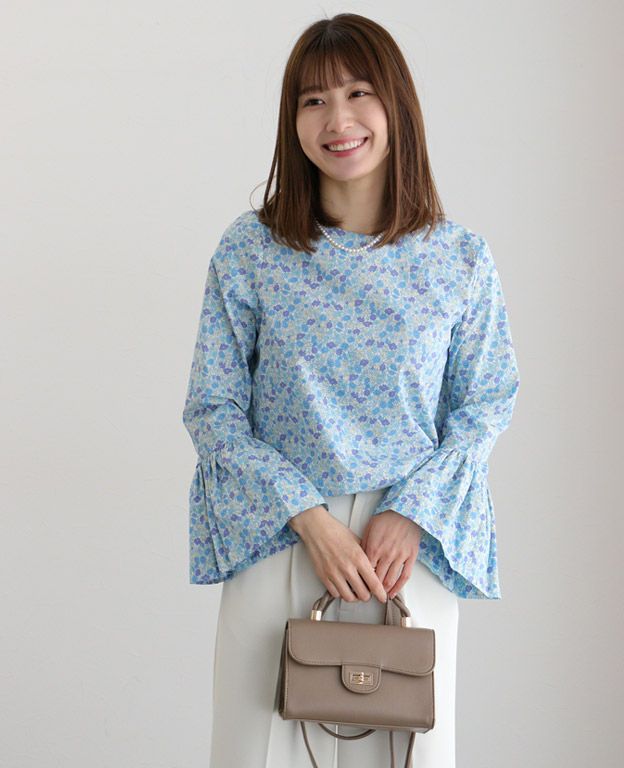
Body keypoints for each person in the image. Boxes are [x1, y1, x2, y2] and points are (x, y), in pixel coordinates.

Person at [181, 12, 520, 768]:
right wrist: (309, 518)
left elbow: (487, 401)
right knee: (257, 751)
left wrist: (412, 510)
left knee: (409, 755)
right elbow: (213, 407)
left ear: (396, 104)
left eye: (358, 93)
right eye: (314, 100)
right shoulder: (252, 250)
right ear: (292, 120)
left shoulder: (459, 259)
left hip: (407, 551)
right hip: (281, 532)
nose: (338, 120)